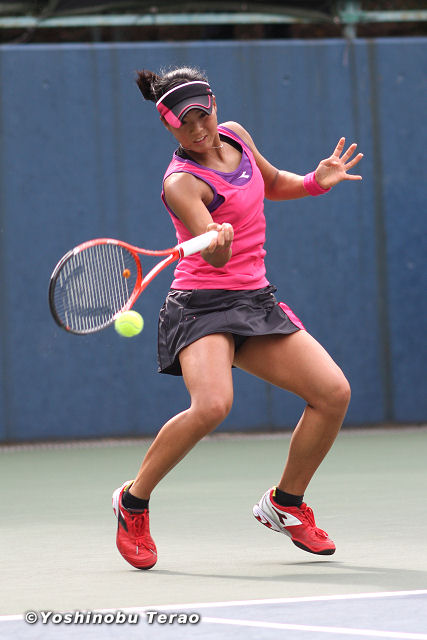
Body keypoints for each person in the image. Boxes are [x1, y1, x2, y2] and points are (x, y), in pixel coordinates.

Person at [112, 66, 363, 570]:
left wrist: (315, 181)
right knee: (212, 406)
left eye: (202, 116)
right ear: (168, 126)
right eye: (184, 124)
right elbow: (216, 257)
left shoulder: (236, 137)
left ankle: (285, 504)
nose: (198, 130)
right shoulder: (182, 183)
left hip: (254, 301)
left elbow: (274, 184)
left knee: (333, 393)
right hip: (200, 306)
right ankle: (132, 501)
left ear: (214, 106)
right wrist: (218, 239)